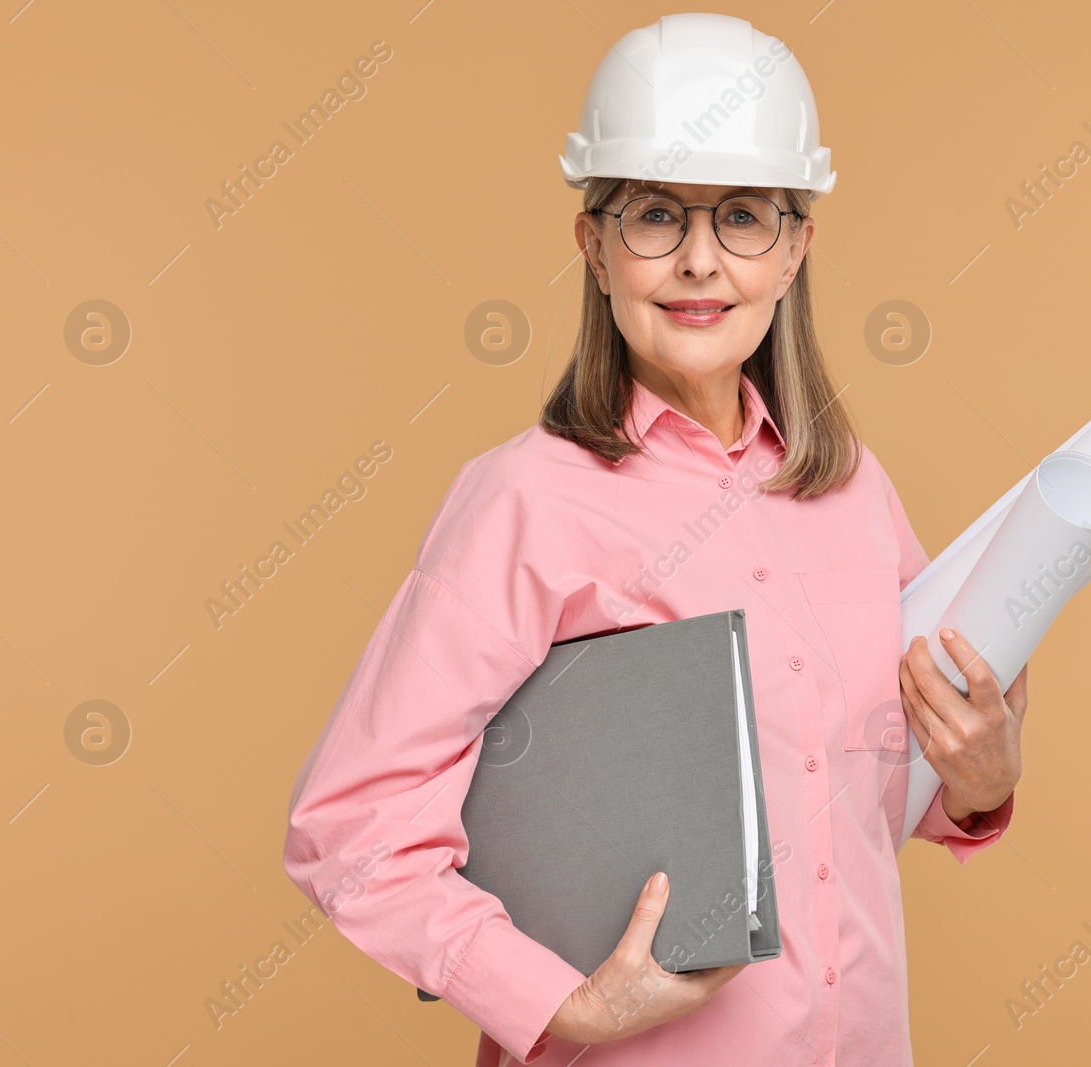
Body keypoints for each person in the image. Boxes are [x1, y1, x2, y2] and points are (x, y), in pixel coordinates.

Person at [282, 13, 1028, 1066]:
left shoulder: (854, 492)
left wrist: (982, 779)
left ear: (795, 248)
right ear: (592, 247)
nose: (697, 262)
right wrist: (561, 1004)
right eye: (653, 216)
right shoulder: (525, 501)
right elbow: (349, 827)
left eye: (740, 218)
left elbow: (858, 803)